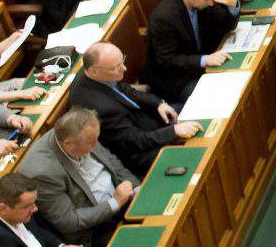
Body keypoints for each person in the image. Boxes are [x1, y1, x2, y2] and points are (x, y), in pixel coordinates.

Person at [70, 42, 201, 174]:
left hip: (146, 121)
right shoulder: (101, 108)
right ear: (94, 71)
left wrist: (158, 104)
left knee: (198, 112)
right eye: (116, 67)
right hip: (140, 152)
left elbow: (124, 89)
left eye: (123, 61)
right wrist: (174, 131)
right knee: (197, 154)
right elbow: (134, 141)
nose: (124, 68)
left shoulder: (94, 72)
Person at [142, 0, 233, 105]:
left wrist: (233, 5)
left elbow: (223, 23)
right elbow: (167, 61)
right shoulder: (163, 18)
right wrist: (203, 60)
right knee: (217, 98)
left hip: (203, 62)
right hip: (177, 80)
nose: (211, 3)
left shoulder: (204, 0)